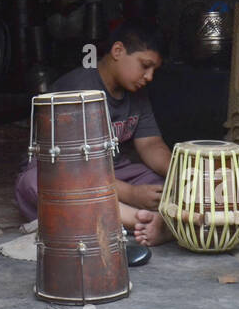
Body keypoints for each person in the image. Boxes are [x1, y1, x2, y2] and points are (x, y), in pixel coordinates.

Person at [15, 20, 174, 246]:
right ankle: (140, 220)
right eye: (144, 65)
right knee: (37, 184)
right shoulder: (75, 88)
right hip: (62, 169)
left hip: (113, 172)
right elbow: (72, 165)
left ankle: (148, 217)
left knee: (163, 186)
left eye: (153, 70)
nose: (149, 77)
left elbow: (150, 144)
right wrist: (130, 194)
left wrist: (178, 175)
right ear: (118, 51)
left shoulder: (138, 93)